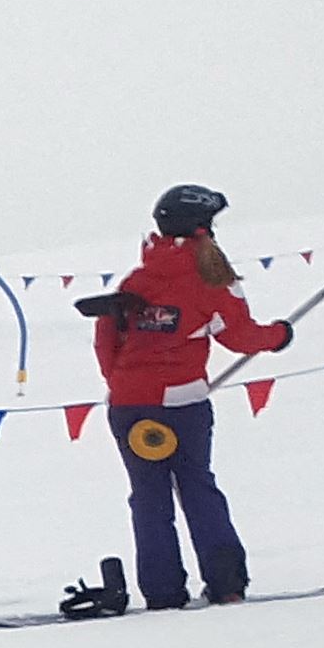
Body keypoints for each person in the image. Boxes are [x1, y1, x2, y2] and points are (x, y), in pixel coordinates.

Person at [82, 184, 297, 611]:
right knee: (198, 488)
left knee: (148, 498)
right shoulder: (213, 280)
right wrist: (280, 336)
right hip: (185, 405)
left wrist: (126, 384)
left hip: (128, 407)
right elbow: (240, 337)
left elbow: (105, 340)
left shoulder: (136, 279)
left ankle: (162, 593)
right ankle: (226, 584)